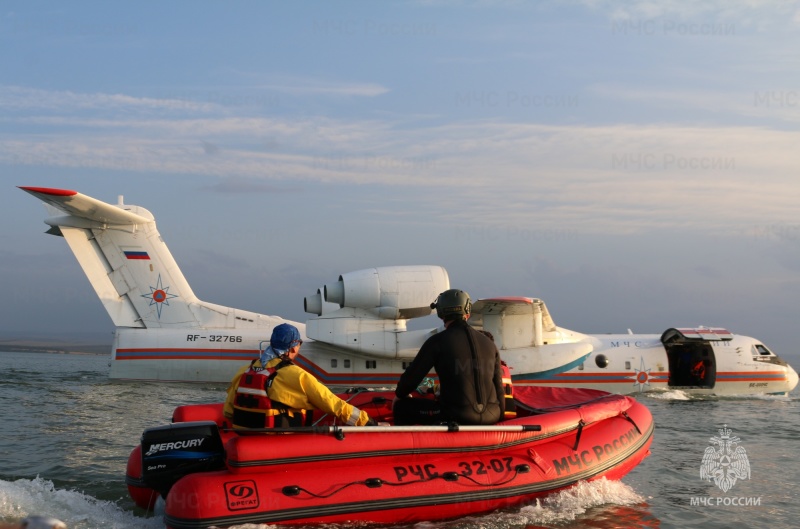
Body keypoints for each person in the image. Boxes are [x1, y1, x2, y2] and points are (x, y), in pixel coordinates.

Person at [224, 323, 375, 428]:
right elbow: (334, 405)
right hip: (276, 441)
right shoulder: (297, 376)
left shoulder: (245, 370)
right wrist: (368, 423)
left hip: (244, 437)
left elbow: (229, 411)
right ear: (293, 348)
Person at [393, 289, 505, 425]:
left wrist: (400, 394)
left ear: (441, 313)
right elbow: (499, 389)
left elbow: (408, 383)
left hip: (455, 415)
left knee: (401, 406)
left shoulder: (437, 341)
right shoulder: (489, 343)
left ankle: (412, 445)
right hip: (492, 415)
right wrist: (500, 419)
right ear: (467, 312)